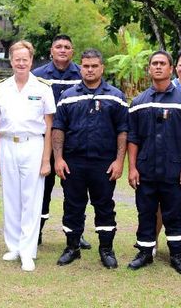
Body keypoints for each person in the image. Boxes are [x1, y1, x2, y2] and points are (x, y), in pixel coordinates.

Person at [52, 49, 128, 269]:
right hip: (73, 162)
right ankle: (72, 248)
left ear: (102, 67)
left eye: (94, 66)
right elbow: (58, 128)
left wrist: (119, 161)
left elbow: (123, 130)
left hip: (104, 163)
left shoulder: (115, 96)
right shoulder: (68, 96)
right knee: (72, 206)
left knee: (104, 207)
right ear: (80, 67)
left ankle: (106, 249)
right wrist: (58, 158)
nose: (90, 70)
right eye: (86, 66)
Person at [127, 51, 181, 274]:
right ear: (149, 69)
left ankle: (177, 255)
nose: (158, 67)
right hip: (146, 169)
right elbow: (132, 138)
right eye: (154, 64)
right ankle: (145, 252)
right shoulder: (138, 102)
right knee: (145, 212)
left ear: (171, 69)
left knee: (174, 214)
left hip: (173, 170)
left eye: (162, 64)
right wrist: (132, 168)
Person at [0, 40, 55, 272]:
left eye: (25, 59)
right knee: (11, 198)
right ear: (11, 60)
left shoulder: (42, 88)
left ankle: (28, 252)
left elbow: (49, 125)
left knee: (31, 198)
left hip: (33, 145)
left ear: (31, 60)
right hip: (8, 144)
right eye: (17, 59)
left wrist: (46, 159)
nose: (21, 63)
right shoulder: (0, 89)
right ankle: (14, 246)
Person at [31, 35, 90, 249]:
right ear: (51, 50)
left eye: (67, 47)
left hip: (73, 144)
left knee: (75, 193)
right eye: (58, 46)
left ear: (72, 52)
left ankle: (76, 234)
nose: (62, 50)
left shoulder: (81, 75)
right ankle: (35, 232)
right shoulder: (37, 76)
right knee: (41, 191)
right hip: (43, 143)